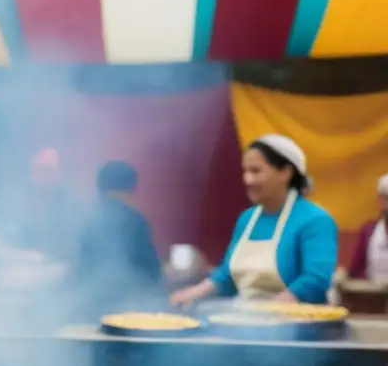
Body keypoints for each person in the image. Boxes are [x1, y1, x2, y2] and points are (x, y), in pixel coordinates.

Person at [171, 134, 338, 306]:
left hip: (302, 327)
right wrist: (192, 293)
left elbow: (315, 280)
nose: (247, 180)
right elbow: (227, 276)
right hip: (250, 321)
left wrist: (269, 310)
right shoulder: (247, 219)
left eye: (256, 171)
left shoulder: (315, 220)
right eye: (245, 171)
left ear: (285, 173)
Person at [75, 161, 163, 314]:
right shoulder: (135, 221)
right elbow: (151, 273)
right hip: (126, 310)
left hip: (86, 308)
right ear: (129, 190)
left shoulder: (86, 219)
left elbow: (79, 268)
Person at [347, 174, 388, 282]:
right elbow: (354, 271)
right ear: (379, 200)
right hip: (372, 295)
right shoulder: (368, 231)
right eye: (386, 198)